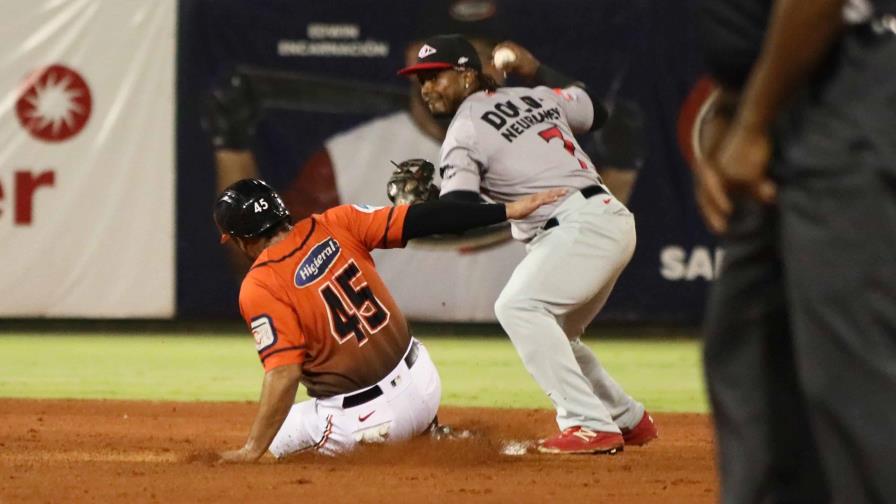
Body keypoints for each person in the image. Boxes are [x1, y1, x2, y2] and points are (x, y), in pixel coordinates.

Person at [397, 34, 657, 454]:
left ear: (466, 75)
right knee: (555, 333)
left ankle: (589, 424)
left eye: (435, 77)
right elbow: (597, 109)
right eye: (420, 80)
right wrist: (534, 67)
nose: (425, 89)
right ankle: (626, 418)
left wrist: (421, 214)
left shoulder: (463, 129)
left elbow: (460, 211)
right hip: (608, 220)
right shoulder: (536, 95)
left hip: (577, 227)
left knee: (518, 306)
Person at [694, 0, 896, 501]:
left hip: (846, 95)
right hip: (790, 100)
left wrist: (751, 123)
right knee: (755, 371)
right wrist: (732, 105)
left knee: (853, 390)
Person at [212, 177, 565, 461]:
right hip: (425, 384)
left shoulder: (259, 284)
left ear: (242, 240)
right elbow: (424, 219)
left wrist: (251, 450)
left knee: (275, 447)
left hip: (367, 423)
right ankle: (429, 433)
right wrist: (505, 210)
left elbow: (284, 373)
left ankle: (401, 441)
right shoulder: (338, 221)